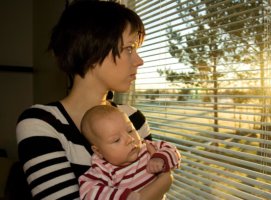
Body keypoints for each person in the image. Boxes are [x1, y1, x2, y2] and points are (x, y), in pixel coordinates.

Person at [16, 1, 173, 199]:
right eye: (129, 48)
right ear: (92, 50)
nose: (139, 60)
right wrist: (164, 183)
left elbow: (150, 177)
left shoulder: (133, 118)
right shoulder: (41, 124)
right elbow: (160, 183)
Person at [79, 105, 181, 200]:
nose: (130, 139)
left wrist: (161, 158)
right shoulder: (103, 170)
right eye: (116, 140)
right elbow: (89, 193)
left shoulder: (146, 147)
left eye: (130, 130)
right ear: (98, 151)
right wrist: (123, 196)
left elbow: (172, 150)